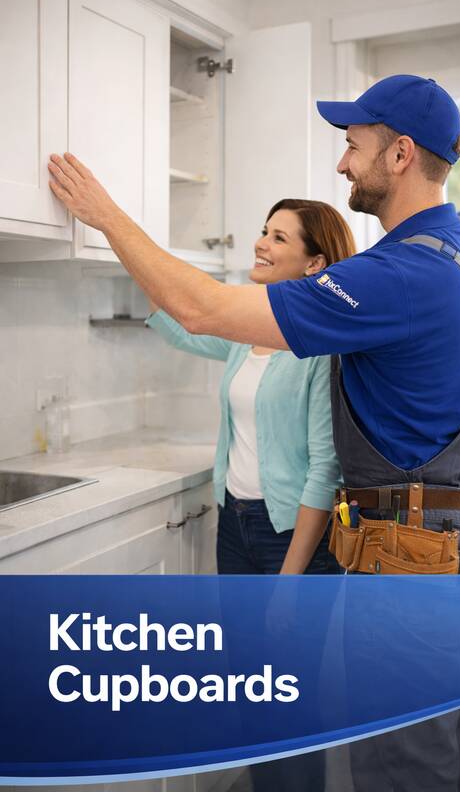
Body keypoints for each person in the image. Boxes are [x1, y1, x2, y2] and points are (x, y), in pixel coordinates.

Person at [49, 73, 460, 791]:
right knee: (447, 746)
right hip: (451, 544)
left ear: (400, 154)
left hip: (410, 565)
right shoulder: (459, 251)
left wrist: (107, 217)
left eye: (351, 145)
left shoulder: (401, 272)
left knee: (400, 766)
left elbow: (201, 310)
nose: (340, 163)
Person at [144, 198, 355, 576]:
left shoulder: (322, 352)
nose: (260, 243)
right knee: (240, 636)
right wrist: (130, 244)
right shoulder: (247, 335)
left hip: (293, 536)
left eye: (278, 238)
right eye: (264, 232)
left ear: (314, 264)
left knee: (289, 636)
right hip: (233, 521)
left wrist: (290, 582)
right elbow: (181, 327)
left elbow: (325, 471)